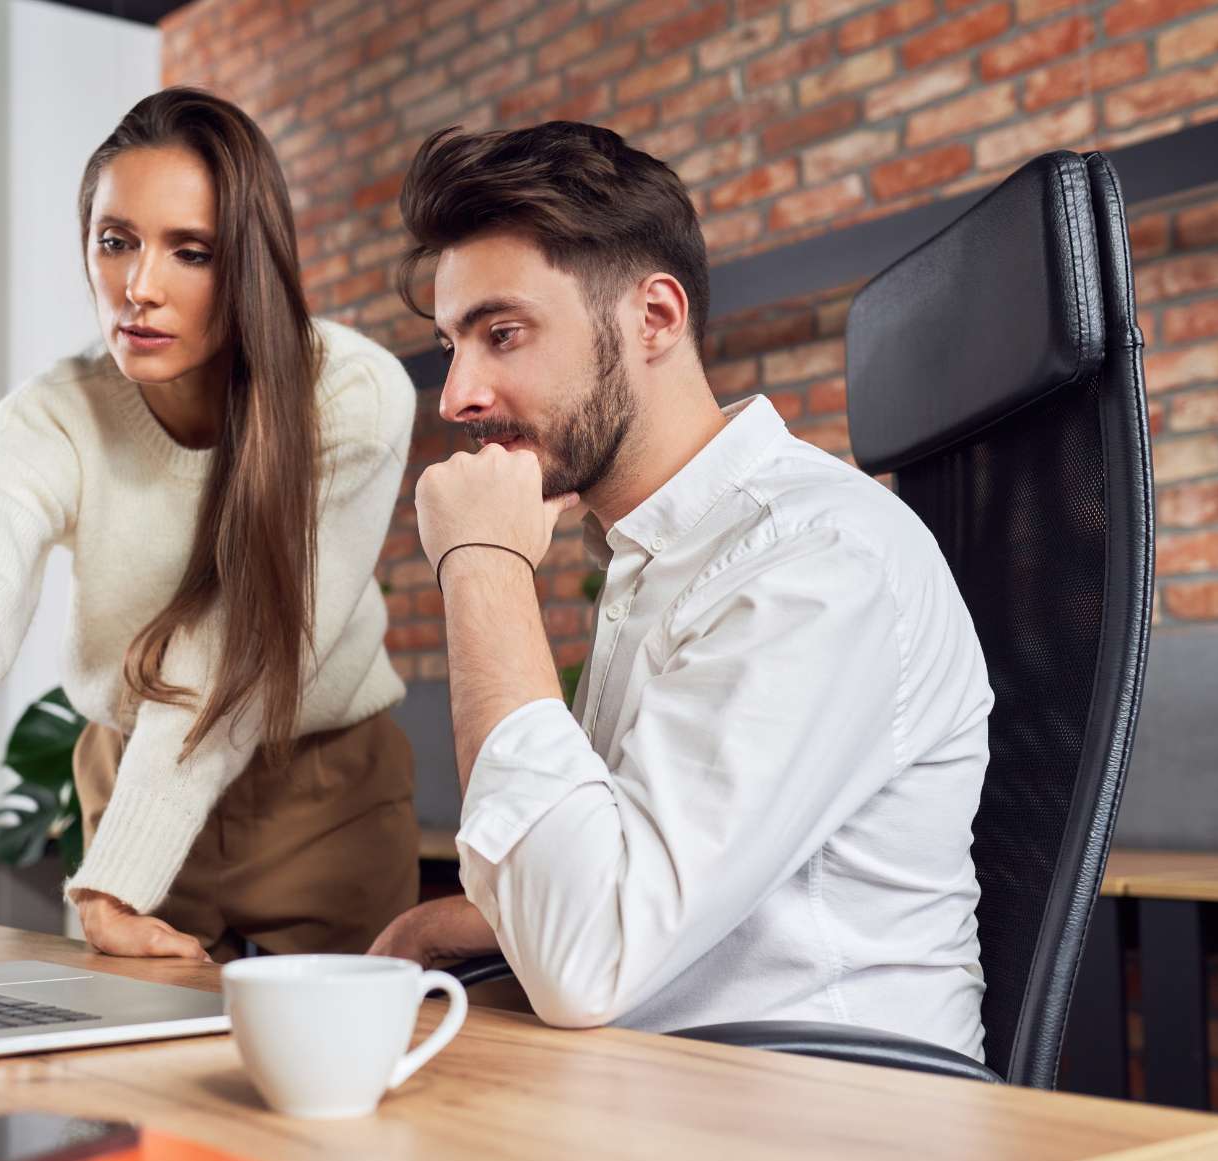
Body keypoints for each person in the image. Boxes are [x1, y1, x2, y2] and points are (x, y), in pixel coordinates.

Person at [367, 121, 993, 1060]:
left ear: (655, 318)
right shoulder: (660, 558)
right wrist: (446, 926)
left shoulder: (813, 563)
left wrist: (482, 568)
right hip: (665, 1087)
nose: (457, 394)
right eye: (454, 345)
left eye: (502, 334)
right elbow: (642, 882)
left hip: (826, 1133)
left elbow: (591, 955)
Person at [0, 88, 419, 963]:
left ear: (250, 264)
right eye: (117, 242)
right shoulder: (57, 412)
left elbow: (242, 648)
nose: (139, 289)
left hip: (322, 800)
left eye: (190, 252)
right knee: (129, 1084)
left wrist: (115, 877)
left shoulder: (351, 394)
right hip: (129, 779)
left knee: (356, 1087)